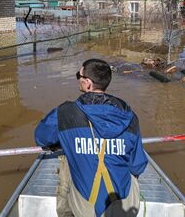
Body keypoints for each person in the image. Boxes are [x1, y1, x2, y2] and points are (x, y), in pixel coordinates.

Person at [35, 58, 148, 217]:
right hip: (124, 206)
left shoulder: (65, 113)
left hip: (86, 209)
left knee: (67, 161)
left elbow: (41, 138)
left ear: (88, 83)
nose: (78, 80)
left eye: (78, 76)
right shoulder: (129, 117)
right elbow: (138, 166)